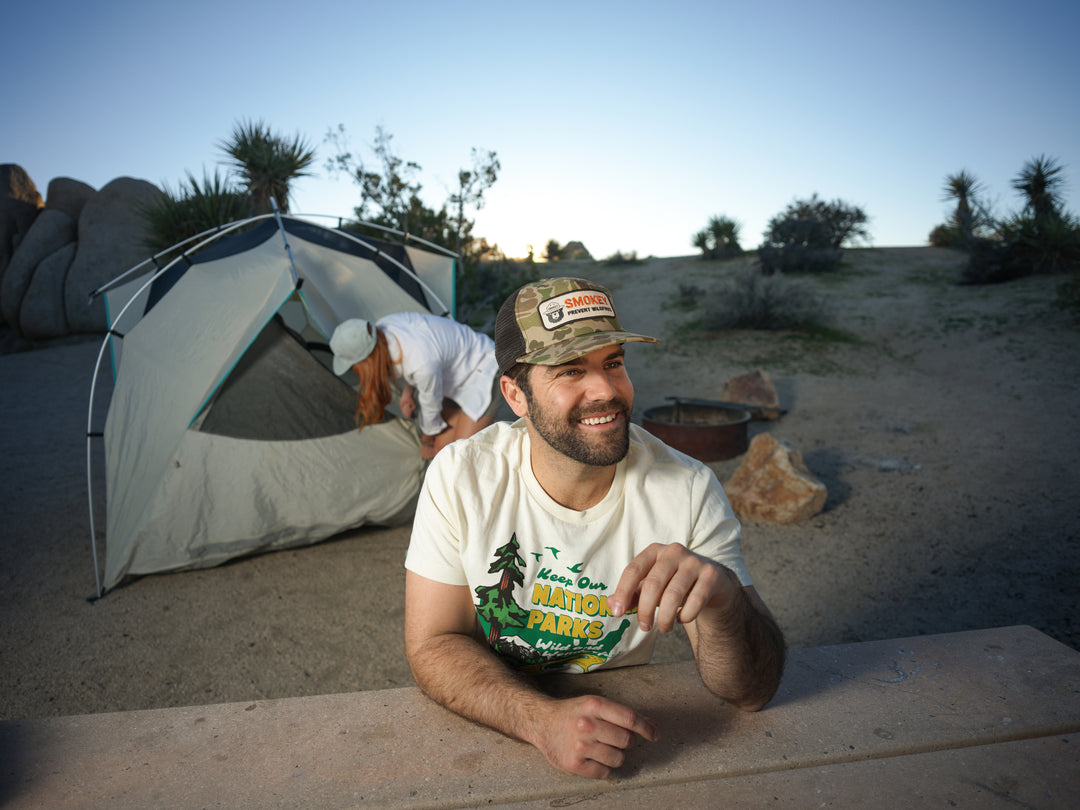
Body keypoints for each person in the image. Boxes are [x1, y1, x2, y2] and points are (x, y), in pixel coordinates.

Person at [403, 277, 786, 779]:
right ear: (515, 396)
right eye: (569, 371)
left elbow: (753, 691)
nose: (606, 391)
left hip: (631, 734)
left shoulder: (688, 488)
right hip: (491, 719)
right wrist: (540, 720)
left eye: (614, 363)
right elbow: (433, 643)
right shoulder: (461, 476)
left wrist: (724, 602)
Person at [330, 312, 500, 460]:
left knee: (462, 457)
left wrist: (426, 442)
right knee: (443, 451)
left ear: (367, 362)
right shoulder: (383, 327)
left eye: (354, 366)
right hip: (450, 374)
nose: (354, 370)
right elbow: (416, 358)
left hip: (484, 369)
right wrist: (408, 391)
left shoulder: (422, 363)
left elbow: (430, 406)